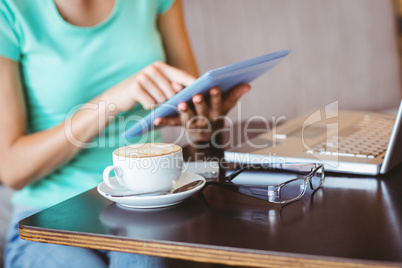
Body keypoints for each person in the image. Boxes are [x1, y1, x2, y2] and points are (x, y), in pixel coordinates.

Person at [0, 0, 250, 267]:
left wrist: (203, 115)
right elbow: (12, 170)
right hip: (50, 217)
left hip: (148, 203)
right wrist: (115, 99)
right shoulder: (10, 10)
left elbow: (189, 101)